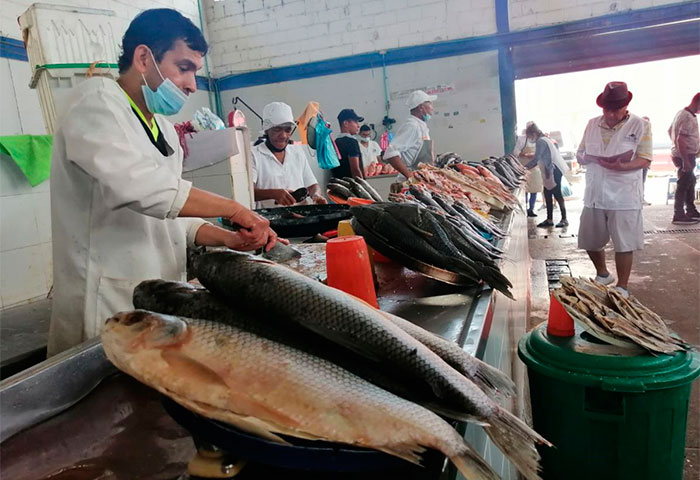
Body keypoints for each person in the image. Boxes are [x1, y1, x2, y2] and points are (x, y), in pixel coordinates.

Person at [48, 9, 280, 355]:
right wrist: (233, 208)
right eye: (183, 67)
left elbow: (173, 218)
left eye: (196, 72)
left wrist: (229, 238)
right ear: (143, 58)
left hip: (157, 296)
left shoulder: (166, 132)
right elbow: (140, 189)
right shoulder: (96, 102)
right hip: (106, 300)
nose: (191, 84)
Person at [576, 81, 652, 298]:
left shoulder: (640, 125)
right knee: (589, 238)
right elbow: (580, 153)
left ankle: (623, 286)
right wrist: (585, 157)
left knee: (624, 242)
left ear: (625, 106)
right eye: (606, 109)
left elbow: (645, 159)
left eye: (615, 109)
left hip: (624, 194)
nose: (610, 114)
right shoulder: (592, 124)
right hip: (594, 191)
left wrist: (622, 166)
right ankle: (602, 273)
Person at [252, 102, 326, 208]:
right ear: (267, 130)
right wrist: (274, 194)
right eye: (277, 129)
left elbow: (312, 184)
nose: (283, 135)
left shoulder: (297, 152)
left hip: (301, 217)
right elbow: (249, 192)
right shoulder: (254, 154)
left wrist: (316, 195)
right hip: (269, 220)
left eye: (287, 130)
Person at [523, 123, 569, 228]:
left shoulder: (541, 141)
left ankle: (564, 219)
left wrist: (524, 168)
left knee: (557, 194)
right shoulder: (545, 139)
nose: (530, 139)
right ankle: (549, 219)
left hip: (553, 169)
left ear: (534, 133)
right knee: (547, 193)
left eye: (530, 136)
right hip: (550, 169)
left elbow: (536, 158)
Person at [383, 90, 436, 180]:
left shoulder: (421, 126)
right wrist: (410, 177)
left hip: (422, 178)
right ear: (421, 107)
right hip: (411, 182)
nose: (432, 108)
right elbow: (390, 153)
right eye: (430, 104)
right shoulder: (412, 126)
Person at [668, 93, 700, 224]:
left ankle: (690, 210)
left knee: (690, 181)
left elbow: (670, 131)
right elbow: (681, 139)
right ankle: (679, 214)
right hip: (685, 155)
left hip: (680, 154)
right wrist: (685, 159)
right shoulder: (687, 117)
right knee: (684, 184)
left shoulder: (681, 113)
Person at [512, 122, 542, 217]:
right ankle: (524, 208)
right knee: (523, 189)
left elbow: (541, 153)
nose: (532, 136)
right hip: (523, 167)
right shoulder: (522, 139)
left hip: (535, 168)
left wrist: (535, 155)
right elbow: (515, 152)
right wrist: (524, 155)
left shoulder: (539, 140)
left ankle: (531, 209)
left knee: (534, 189)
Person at [332, 108, 365, 179]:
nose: (358, 126)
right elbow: (355, 169)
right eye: (355, 122)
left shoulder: (335, 142)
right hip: (351, 186)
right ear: (346, 123)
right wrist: (363, 186)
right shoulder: (352, 142)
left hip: (339, 184)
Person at [641, 116, 652, 206]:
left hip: (644, 162)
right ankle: (638, 198)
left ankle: (641, 198)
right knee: (637, 181)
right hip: (638, 162)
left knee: (642, 181)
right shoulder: (637, 134)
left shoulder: (649, 135)